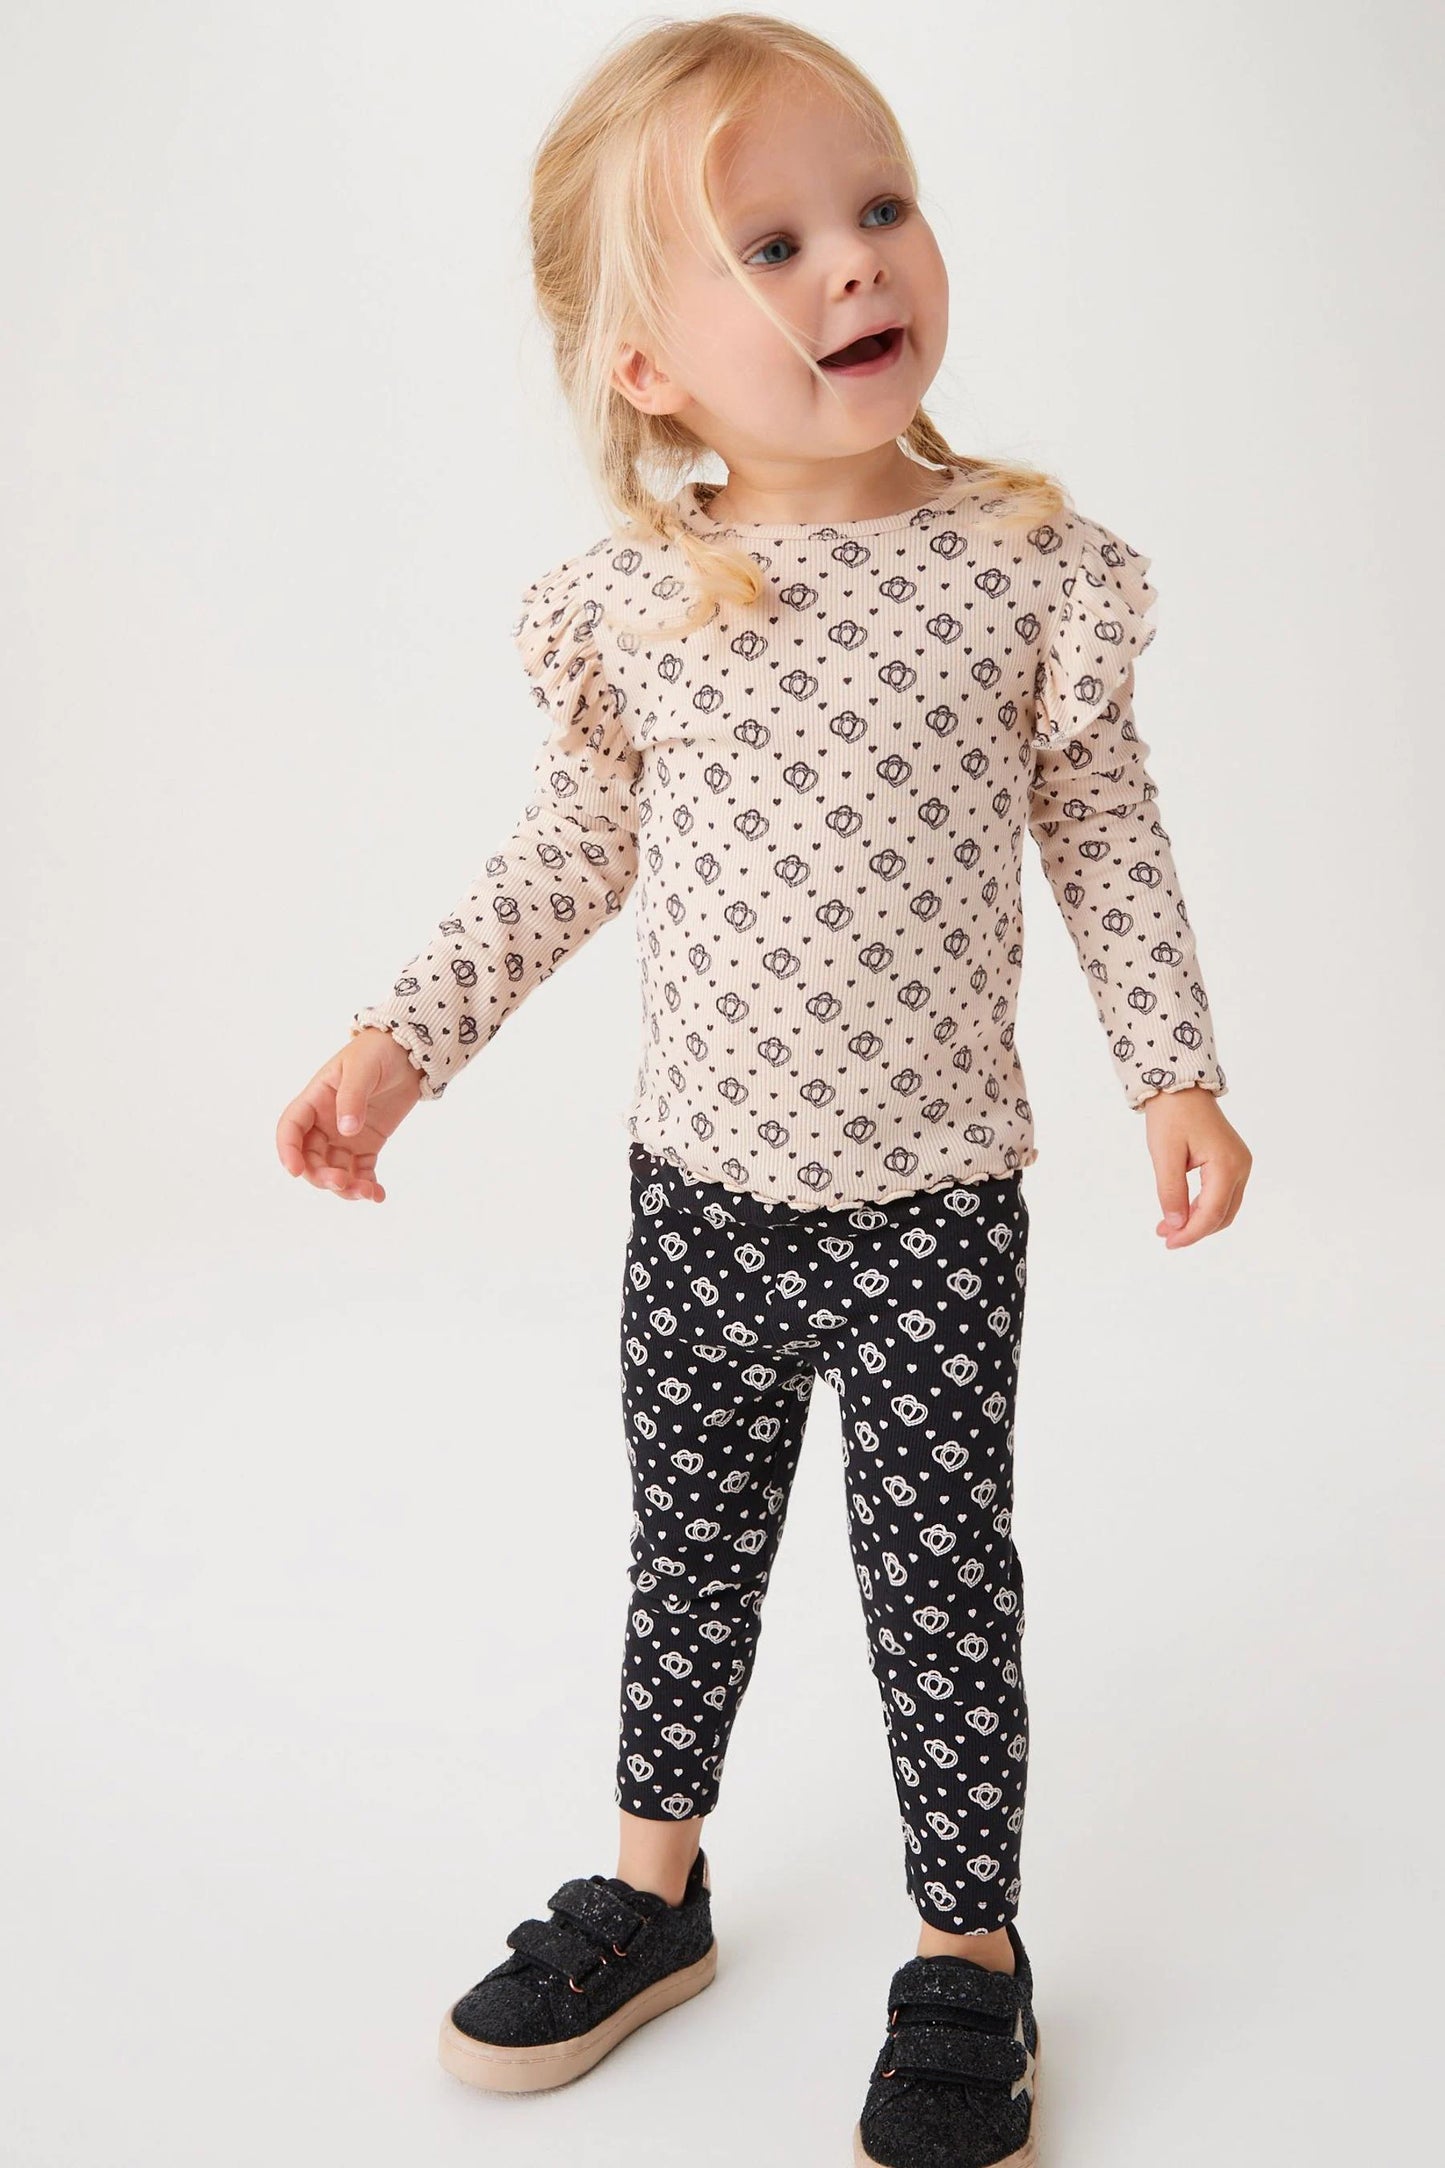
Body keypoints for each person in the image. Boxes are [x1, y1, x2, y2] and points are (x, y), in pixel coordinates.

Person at [275, 15, 1252, 2164]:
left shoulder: (1019, 570)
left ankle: (970, 1951)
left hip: (931, 1203)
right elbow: (564, 854)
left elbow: (1103, 834)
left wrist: (1172, 1073)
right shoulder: (645, 608)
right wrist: (400, 1039)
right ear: (643, 365)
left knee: (939, 1580)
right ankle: (655, 1890)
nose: (855, 262)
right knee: (690, 1546)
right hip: (702, 1195)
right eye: (772, 246)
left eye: (877, 207)